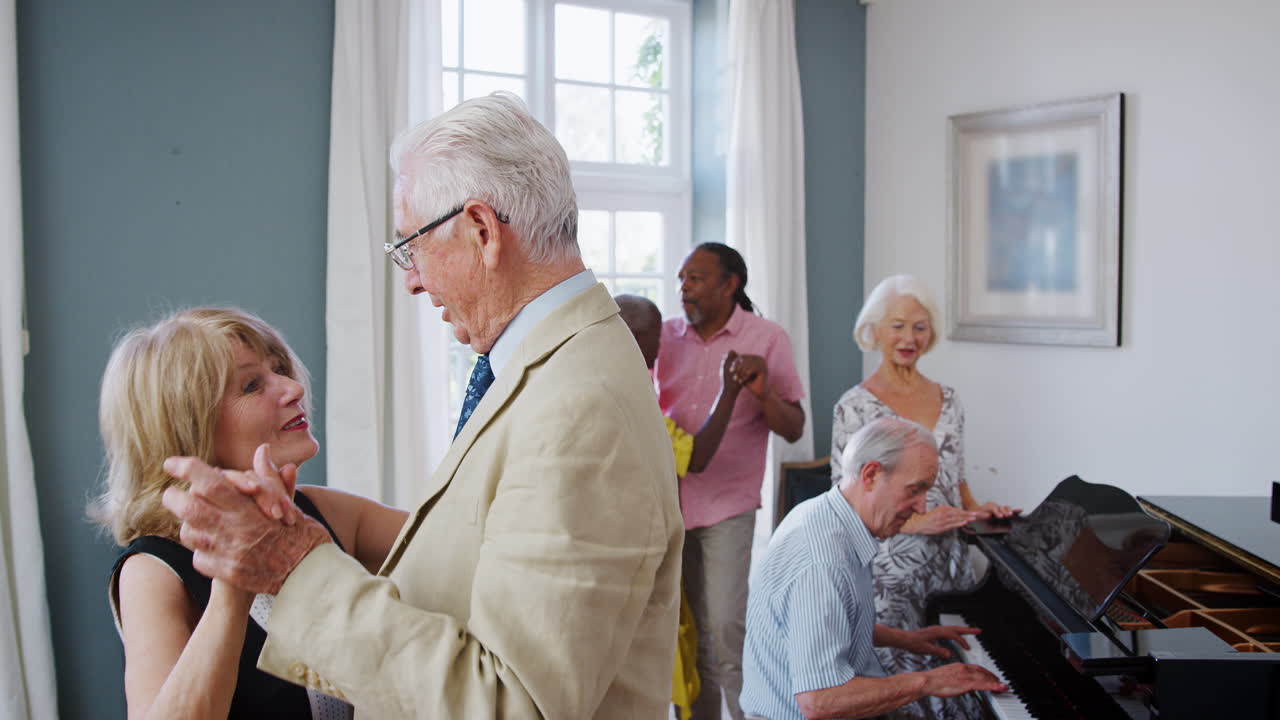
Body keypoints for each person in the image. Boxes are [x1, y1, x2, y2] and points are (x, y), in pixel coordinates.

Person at [161, 93, 684, 718]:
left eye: (411, 245)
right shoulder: (544, 372)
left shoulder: (578, 404)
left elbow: (510, 704)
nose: (411, 278)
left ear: (483, 231)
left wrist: (292, 569)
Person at [91, 307, 407, 719]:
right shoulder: (153, 570)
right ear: (188, 425)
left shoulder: (328, 511)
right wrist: (232, 587)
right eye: (252, 385)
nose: (292, 387)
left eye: (280, 369)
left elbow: (465, 546)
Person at [830, 274, 1017, 720]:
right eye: (897, 326)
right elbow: (844, 502)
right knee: (899, 693)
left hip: (949, 567)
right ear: (874, 330)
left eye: (920, 326)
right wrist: (918, 522)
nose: (909, 337)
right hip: (886, 573)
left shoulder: (949, 399)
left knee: (955, 684)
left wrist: (981, 508)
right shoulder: (853, 407)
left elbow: (957, 481)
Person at [740, 417, 1007, 720]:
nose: (922, 507)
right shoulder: (822, 561)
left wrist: (903, 638)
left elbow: (828, 623)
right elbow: (819, 702)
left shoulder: (823, 514)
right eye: (915, 490)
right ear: (870, 475)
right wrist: (928, 682)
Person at [654, 242, 806, 720]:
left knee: (724, 631)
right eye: (681, 278)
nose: (684, 288)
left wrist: (762, 393)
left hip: (728, 508)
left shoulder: (767, 338)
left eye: (695, 278)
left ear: (729, 284)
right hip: (669, 508)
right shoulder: (663, 337)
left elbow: (794, 426)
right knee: (685, 635)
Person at [616, 293, 743, 720]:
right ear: (634, 336)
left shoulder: (628, 391)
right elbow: (699, 455)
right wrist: (729, 392)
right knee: (671, 650)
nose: (663, 344)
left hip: (645, 545)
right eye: (655, 333)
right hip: (641, 551)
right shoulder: (633, 401)